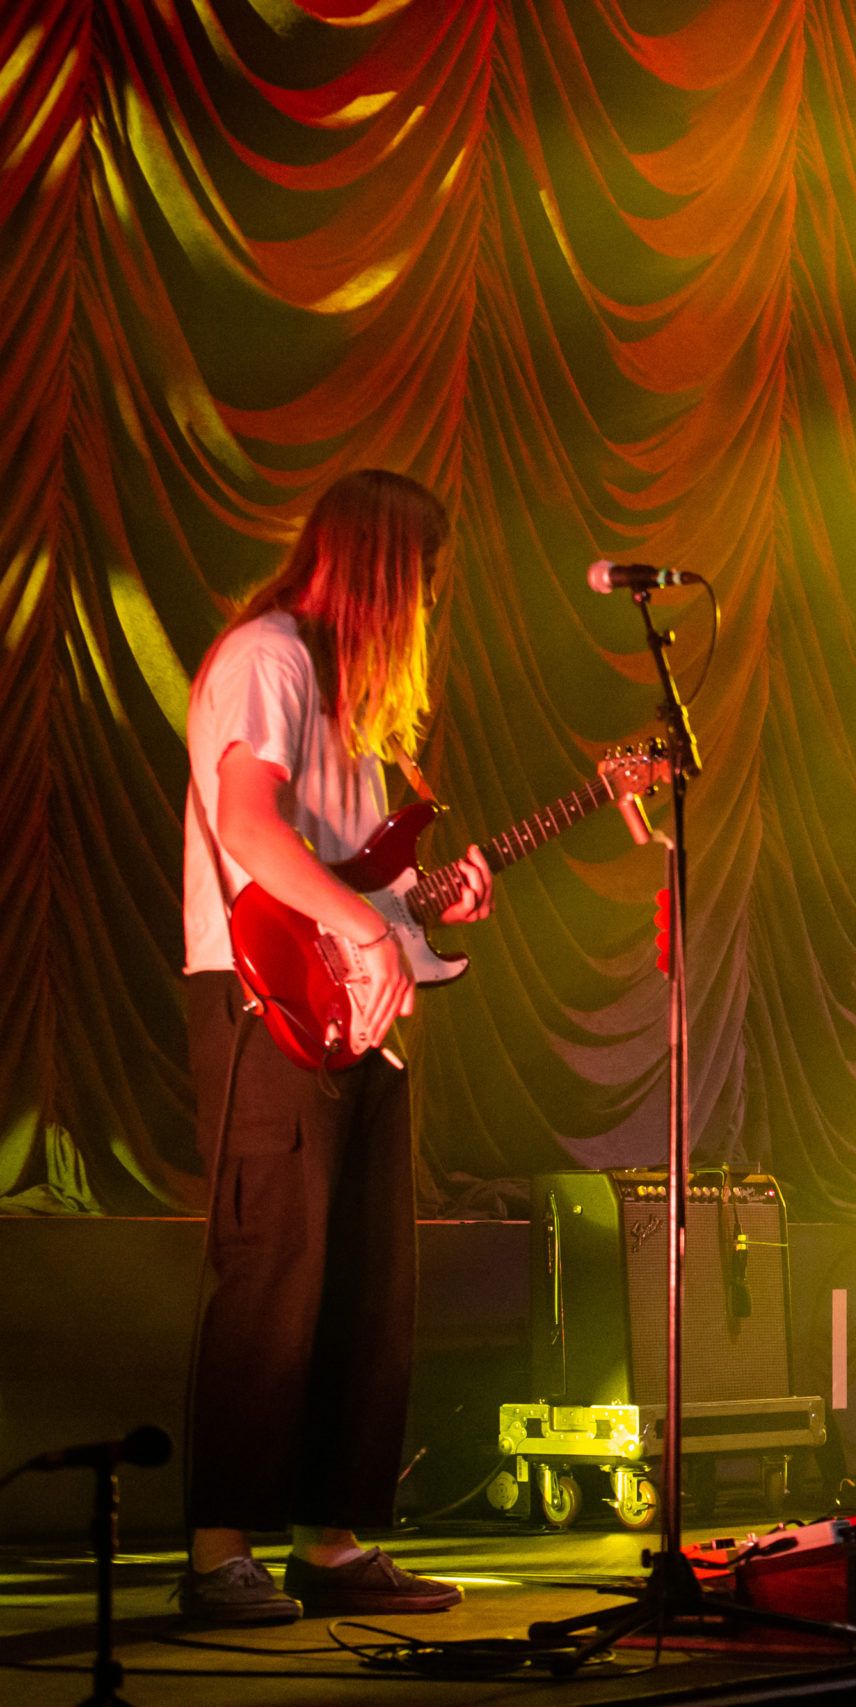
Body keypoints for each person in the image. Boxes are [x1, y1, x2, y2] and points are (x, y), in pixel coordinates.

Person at [176, 470, 492, 1623]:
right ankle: (217, 1556)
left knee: (365, 1281)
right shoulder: (269, 657)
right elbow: (250, 823)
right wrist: (368, 926)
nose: (424, 607)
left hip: (357, 1017)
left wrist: (426, 905)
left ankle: (330, 1541)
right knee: (273, 1274)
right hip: (266, 1006)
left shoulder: (355, 708)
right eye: (418, 581)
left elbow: (358, 869)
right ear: (380, 568)